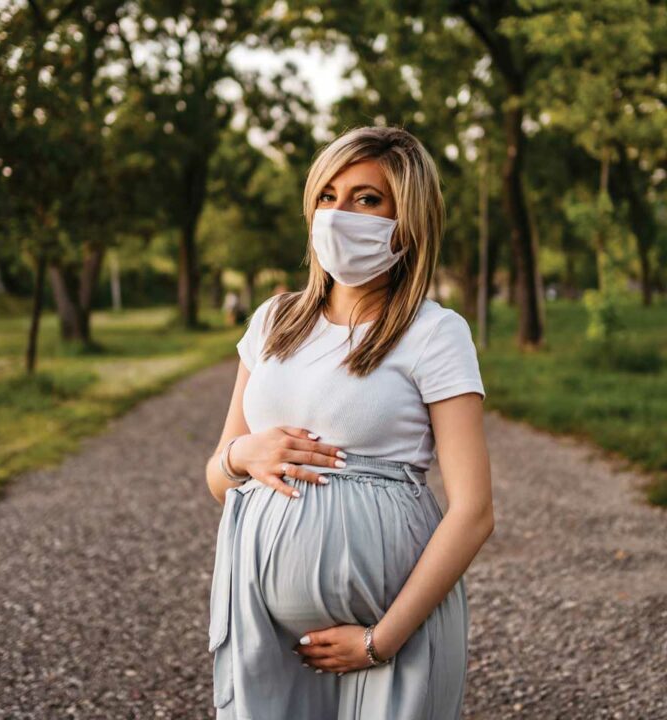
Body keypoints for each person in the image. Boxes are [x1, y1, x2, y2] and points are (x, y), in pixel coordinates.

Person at [203, 125, 494, 719]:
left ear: (406, 221)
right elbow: (216, 477)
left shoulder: (434, 333)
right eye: (327, 196)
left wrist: (379, 640)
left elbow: (474, 512)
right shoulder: (273, 321)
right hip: (266, 628)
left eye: (367, 199)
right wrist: (242, 457)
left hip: (389, 633)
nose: (339, 214)